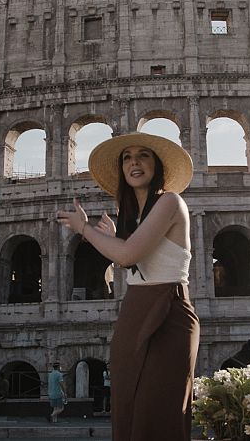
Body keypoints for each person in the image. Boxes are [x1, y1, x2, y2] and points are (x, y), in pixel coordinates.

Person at [56, 132, 199, 441]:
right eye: (127, 157)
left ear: (157, 165)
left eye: (143, 155)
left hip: (168, 309)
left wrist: (84, 229)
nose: (134, 162)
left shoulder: (170, 202)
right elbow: (129, 256)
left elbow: (128, 254)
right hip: (135, 308)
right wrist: (112, 236)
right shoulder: (132, 215)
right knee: (128, 401)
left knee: (160, 405)